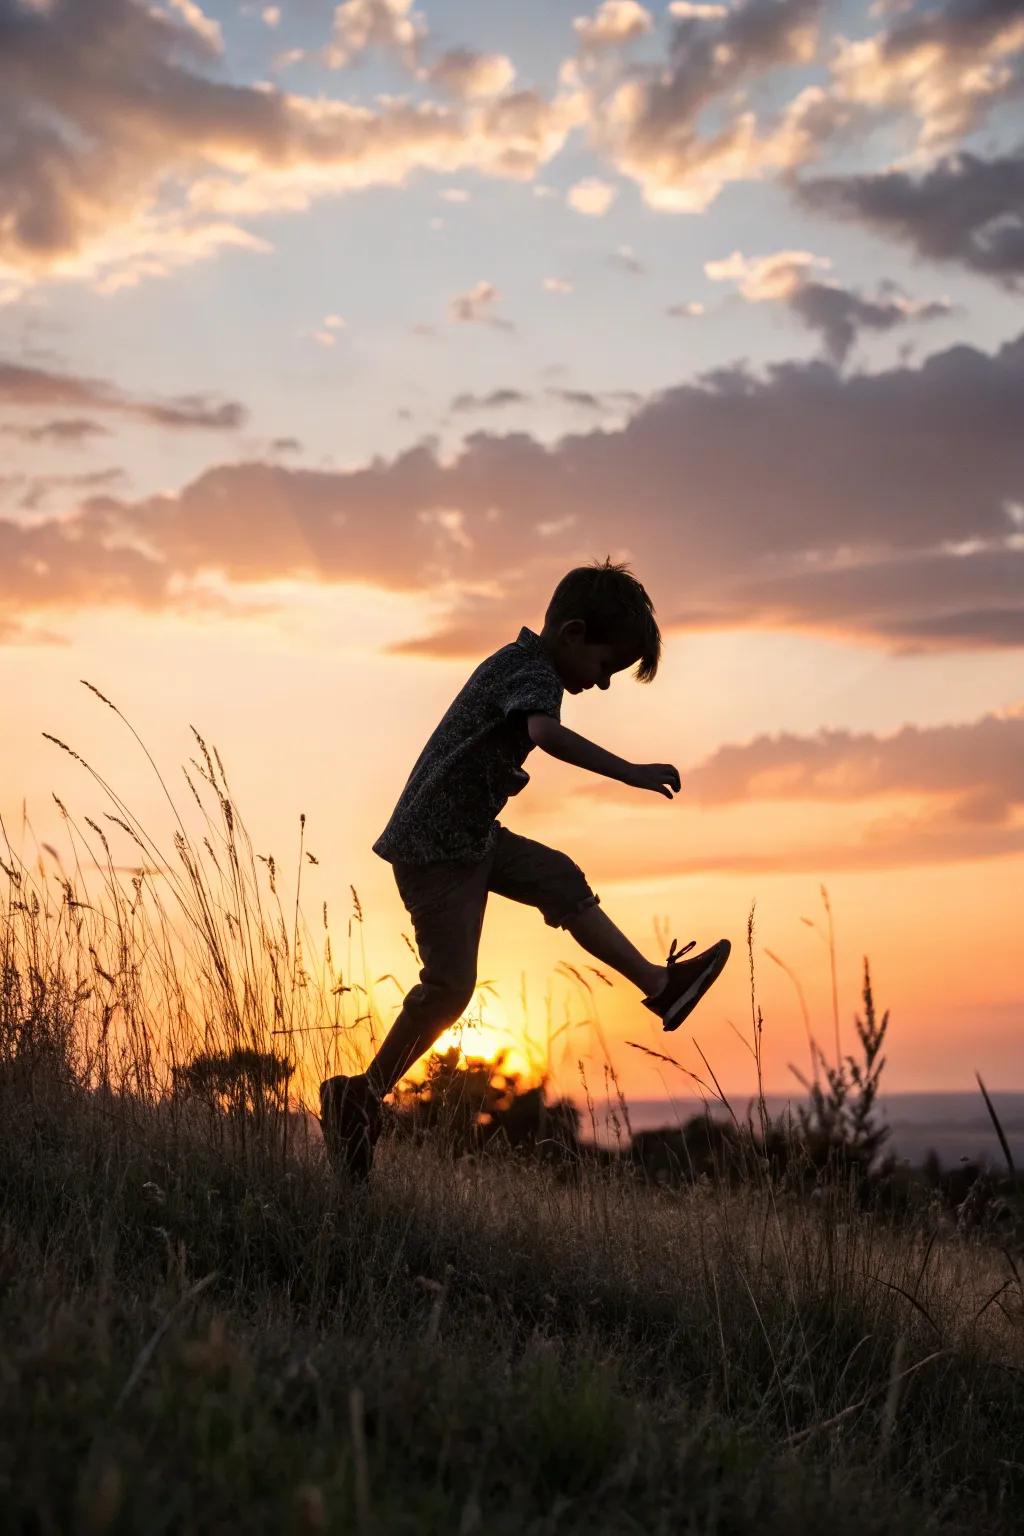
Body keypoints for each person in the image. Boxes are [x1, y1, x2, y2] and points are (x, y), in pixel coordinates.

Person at [320, 556, 730, 1177]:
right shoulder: (532, 673)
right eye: (605, 666)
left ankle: (661, 988)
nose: (602, 683)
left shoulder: (519, 666)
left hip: (472, 840)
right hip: (436, 853)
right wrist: (633, 773)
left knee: (561, 879)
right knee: (450, 988)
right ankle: (357, 1097)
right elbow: (545, 734)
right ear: (571, 635)